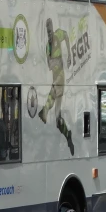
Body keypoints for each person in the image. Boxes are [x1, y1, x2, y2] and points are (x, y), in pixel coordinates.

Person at [38, 19, 75, 156]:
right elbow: (49, 65)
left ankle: (45, 111)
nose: (48, 32)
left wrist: (69, 54)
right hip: (57, 76)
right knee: (58, 117)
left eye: (49, 29)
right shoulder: (47, 47)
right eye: (47, 30)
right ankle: (67, 134)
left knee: (54, 90)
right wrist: (50, 60)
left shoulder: (57, 34)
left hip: (60, 77)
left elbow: (66, 35)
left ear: (52, 28)